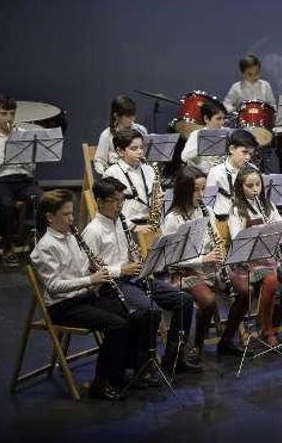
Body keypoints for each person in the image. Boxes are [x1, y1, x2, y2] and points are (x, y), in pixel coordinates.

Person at [30, 190, 154, 400]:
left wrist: (95, 268)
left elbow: (81, 267)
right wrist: (91, 279)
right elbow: (53, 287)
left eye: (72, 214)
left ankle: (122, 371)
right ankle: (101, 382)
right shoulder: (45, 248)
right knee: (117, 324)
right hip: (63, 307)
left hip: (84, 297)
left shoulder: (72, 237)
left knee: (137, 314)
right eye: (66, 214)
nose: (71, 219)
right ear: (50, 217)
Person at [82, 177, 200, 375]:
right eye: (115, 201)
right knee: (149, 310)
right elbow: (89, 270)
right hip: (111, 285)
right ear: (100, 202)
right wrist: (122, 270)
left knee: (184, 300)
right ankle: (142, 366)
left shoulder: (121, 221)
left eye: (122, 200)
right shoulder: (92, 231)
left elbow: (134, 247)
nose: (120, 206)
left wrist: (134, 256)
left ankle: (174, 358)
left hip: (134, 279)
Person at [227, 166, 282, 347]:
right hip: (250, 259)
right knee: (271, 280)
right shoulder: (237, 210)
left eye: (257, 184)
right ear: (240, 187)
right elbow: (238, 239)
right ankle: (267, 329)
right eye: (249, 185)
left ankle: (275, 319)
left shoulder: (268, 205)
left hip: (270, 254)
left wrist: (275, 229)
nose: (255, 189)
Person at [162, 165, 225, 360]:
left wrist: (217, 252)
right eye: (196, 190)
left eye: (203, 189)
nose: (201, 194)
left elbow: (210, 242)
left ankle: (228, 339)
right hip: (184, 272)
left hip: (208, 268)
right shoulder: (173, 219)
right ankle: (197, 344)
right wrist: (203, 259)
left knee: (243, 287)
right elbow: (172, 259)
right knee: (208, 300)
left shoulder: (206, 212)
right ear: (184, 191)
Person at [0, 95, 43, 267]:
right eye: (4, 114)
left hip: (22, 179)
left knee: (44, 199)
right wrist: (9, 145)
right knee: (6, 203)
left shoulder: (24, 135)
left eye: (11, 114)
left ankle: (42, 243)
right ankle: (7, 247)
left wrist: (22, 147)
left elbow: (31, 169)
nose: (9, 118)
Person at [102, 128, 157, 227]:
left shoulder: (149, 170)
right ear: (120, 152)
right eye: (134, 148)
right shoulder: (112, 173)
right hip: (126, 226)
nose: (140, 152)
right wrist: (134, 227)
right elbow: (110, 210)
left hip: (149, 222)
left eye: (141, 147)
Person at [205, 129, 259, 217]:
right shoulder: (216, 172)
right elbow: (208, 201)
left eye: (250, 154)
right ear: (232, 149)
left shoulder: (253, 170)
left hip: (249, 218)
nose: (248, 157)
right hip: (223, 220)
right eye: (244, 152)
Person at [93, 95, 148, 176]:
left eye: (133, 115)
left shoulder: (140, 130)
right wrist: (108, 175)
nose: (132, 119)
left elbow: (147, 155)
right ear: (116, 116)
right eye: (128, 116)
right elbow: (99, 162)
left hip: (139, 173)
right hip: (118, 177)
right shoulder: (107, 135)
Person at [181, 98, 228, 173]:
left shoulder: (227, 133)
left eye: (224, 119)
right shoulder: (196, 134)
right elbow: (184, 157)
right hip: (202, 175)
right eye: (218, 119)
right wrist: (202, 146)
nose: (222, 122)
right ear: (206, 119)